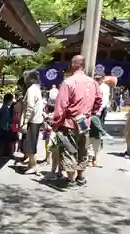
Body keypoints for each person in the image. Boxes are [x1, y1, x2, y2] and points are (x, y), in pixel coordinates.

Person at [52, 55, 102, 189]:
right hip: (85, 121)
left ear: (73, 65)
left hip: (70, 121)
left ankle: (71, 179)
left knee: (69, 150)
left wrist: (56, 122)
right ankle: (80, 176)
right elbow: (99, 100)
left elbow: (61, 105)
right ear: (84, 66)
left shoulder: (68, 82)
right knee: (82, 149)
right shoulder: (93, 82)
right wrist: (91, 113)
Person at [20, 69, 44, 174]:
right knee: (31, 143)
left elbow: (30, 107)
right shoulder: (37, 89)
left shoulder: (31, 90)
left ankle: (34, 165)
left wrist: (25, 121)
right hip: (36, 119)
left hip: (32, 120)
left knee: (30, 144)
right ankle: (30, 164)